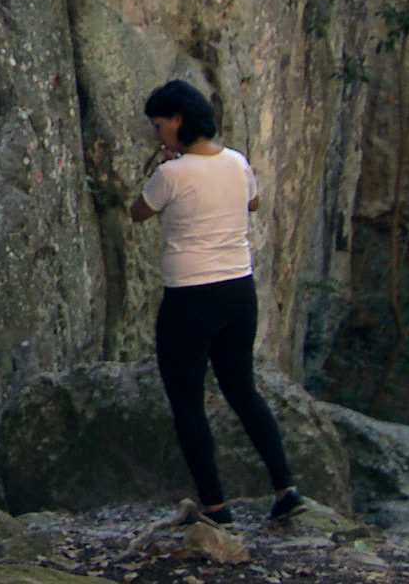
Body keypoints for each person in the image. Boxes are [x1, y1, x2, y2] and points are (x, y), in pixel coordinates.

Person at [129, 79, 306, 525]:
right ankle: (285, 487)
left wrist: (174, 167)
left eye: (159, 125)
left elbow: (138, 211)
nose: (157, 135)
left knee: (187, 400)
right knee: (242, 389)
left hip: (190, 296)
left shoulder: (170, 174)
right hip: (239, 292)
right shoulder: (238, 162)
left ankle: (215, 505)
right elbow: (254, 201)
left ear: (179, 120)